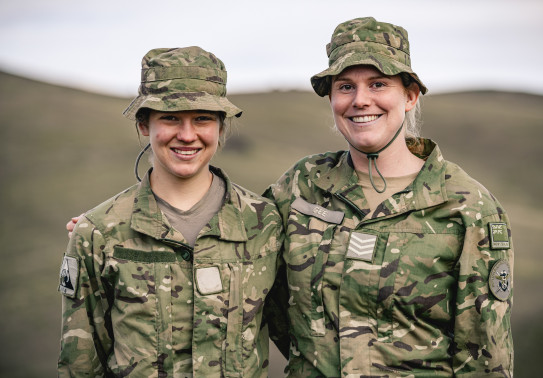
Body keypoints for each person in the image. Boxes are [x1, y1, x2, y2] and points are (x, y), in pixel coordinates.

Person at [264, 17, 514, 377]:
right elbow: (262, 294)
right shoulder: (301, 187)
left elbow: (485, 358)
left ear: (410, 96)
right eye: (345, 86)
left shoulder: (467, 207)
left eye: (378, 84)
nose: (360, 100)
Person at [57, 46, 283, 377]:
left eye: (203, 118)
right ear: (144, 124)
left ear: (221, 126)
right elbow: (79, 363)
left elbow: (305, 337)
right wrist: (93, 231)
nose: (187, 135)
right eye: (170, 118)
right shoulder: (99, 233)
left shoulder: (265, 223)